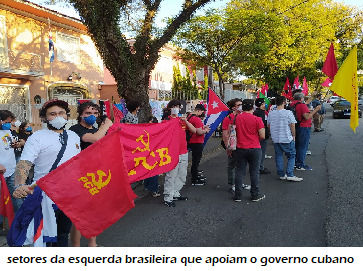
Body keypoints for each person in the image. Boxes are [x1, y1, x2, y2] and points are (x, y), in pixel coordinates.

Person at [12, 99, 81, 247]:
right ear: (44, 117)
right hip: (45, 195)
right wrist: (19, 185)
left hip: (70, 194)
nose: (58, 117)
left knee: (63, 233)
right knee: (43, 236)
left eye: (61, 113)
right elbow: (25, 162)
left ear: (67, 115)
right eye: (52, 114)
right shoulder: (36, 137)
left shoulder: (74, 136)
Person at [68, 101, 113, 247]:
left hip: (97, 175)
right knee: (79, 214)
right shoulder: (75, 130)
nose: (92, 116)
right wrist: (106, 125)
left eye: (95, 113)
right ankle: (76, 246)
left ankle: (92, 243)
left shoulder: (97, 129)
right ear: (80, 114)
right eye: (88, 113)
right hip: (80, 176)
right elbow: (95, 139)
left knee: (94, 211)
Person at [162, 100, 197, 207]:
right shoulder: (165, 121)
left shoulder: (182, 120)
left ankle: (175, 192)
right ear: (169, 108)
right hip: (172, 152)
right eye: (174, 106)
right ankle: (168, 196)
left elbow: (194, 130)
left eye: (177, 106)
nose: (176, 108)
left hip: (183, 151)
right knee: (171, 175)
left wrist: (186, 121)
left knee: (182, 174)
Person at [232, 99, 266, 202]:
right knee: (254, 171)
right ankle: (255, 195)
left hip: (240, 147)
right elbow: (263, 136)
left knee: (239, 171)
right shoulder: (257, 119)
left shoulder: (236, 118)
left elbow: (232, 132)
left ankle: (238, 195)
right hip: (255, 147)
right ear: (253, 108)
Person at [267, 96, 303, 182]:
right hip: (286, 137)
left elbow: (268, 125)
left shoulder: (271, 113)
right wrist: (294, 135)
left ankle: (281, 174)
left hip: (276, 138)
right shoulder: (288, 113)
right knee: (291, 155)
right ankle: (290, 174)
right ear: (284, 102)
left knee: (278, 156)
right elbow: (292, 125)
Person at [222, 98, 251, 194]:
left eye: (241, 104)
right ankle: (232, 184)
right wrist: (228, 147)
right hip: (233, 145)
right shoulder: (228, 118)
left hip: (242, 145)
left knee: (241, 165)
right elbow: (225, 134)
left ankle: (239, 183)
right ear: (234, 107)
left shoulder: (243, 117)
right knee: (232, 165)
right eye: (239, 105)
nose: (241, 106)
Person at [0, 110, 22, 223]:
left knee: (17, 196)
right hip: (1, 173)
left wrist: (16, 144)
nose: (10, 124)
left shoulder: (7, 131)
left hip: (12, 170)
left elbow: (11, 144)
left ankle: (20, 221)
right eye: (7, 121)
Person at [289, 92, 321, 171]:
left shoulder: (291, 104)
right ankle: (300, 164)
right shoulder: (301, 105)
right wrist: (315, 110)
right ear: (301, 98)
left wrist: (312, 96)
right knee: (302, 146)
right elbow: (307, 117)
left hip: (295, 126)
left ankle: (295, 163)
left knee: (296, 146)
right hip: (304, 127)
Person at [187, 104, 210, 186]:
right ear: (199, 110)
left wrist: (203, 126)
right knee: (196, 161)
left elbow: (195, 128)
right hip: (197, 141)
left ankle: (195, 175)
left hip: (191, 141)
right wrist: (206, 130)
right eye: (202, 112)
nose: (202, 114)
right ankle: (194, 179)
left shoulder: (189, 117)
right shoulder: (196, 119)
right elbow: (199, 132)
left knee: (195, 160)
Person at [143, 116, 161, 197]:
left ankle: (148, 186)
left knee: (148, 171)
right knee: (153, 171)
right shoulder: (156, 132)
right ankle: (154, 190)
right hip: (150, 154)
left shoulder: (144, 131)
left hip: (149, 153)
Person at [254, 98, 271, 175]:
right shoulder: (261, 113)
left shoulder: (257, 112)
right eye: (264, 103)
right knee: (261, 152)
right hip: (262, 134)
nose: (265, 104)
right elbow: (262, 124)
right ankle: (260, 167)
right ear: (261, 104)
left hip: (259, 134)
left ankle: (259, 166)